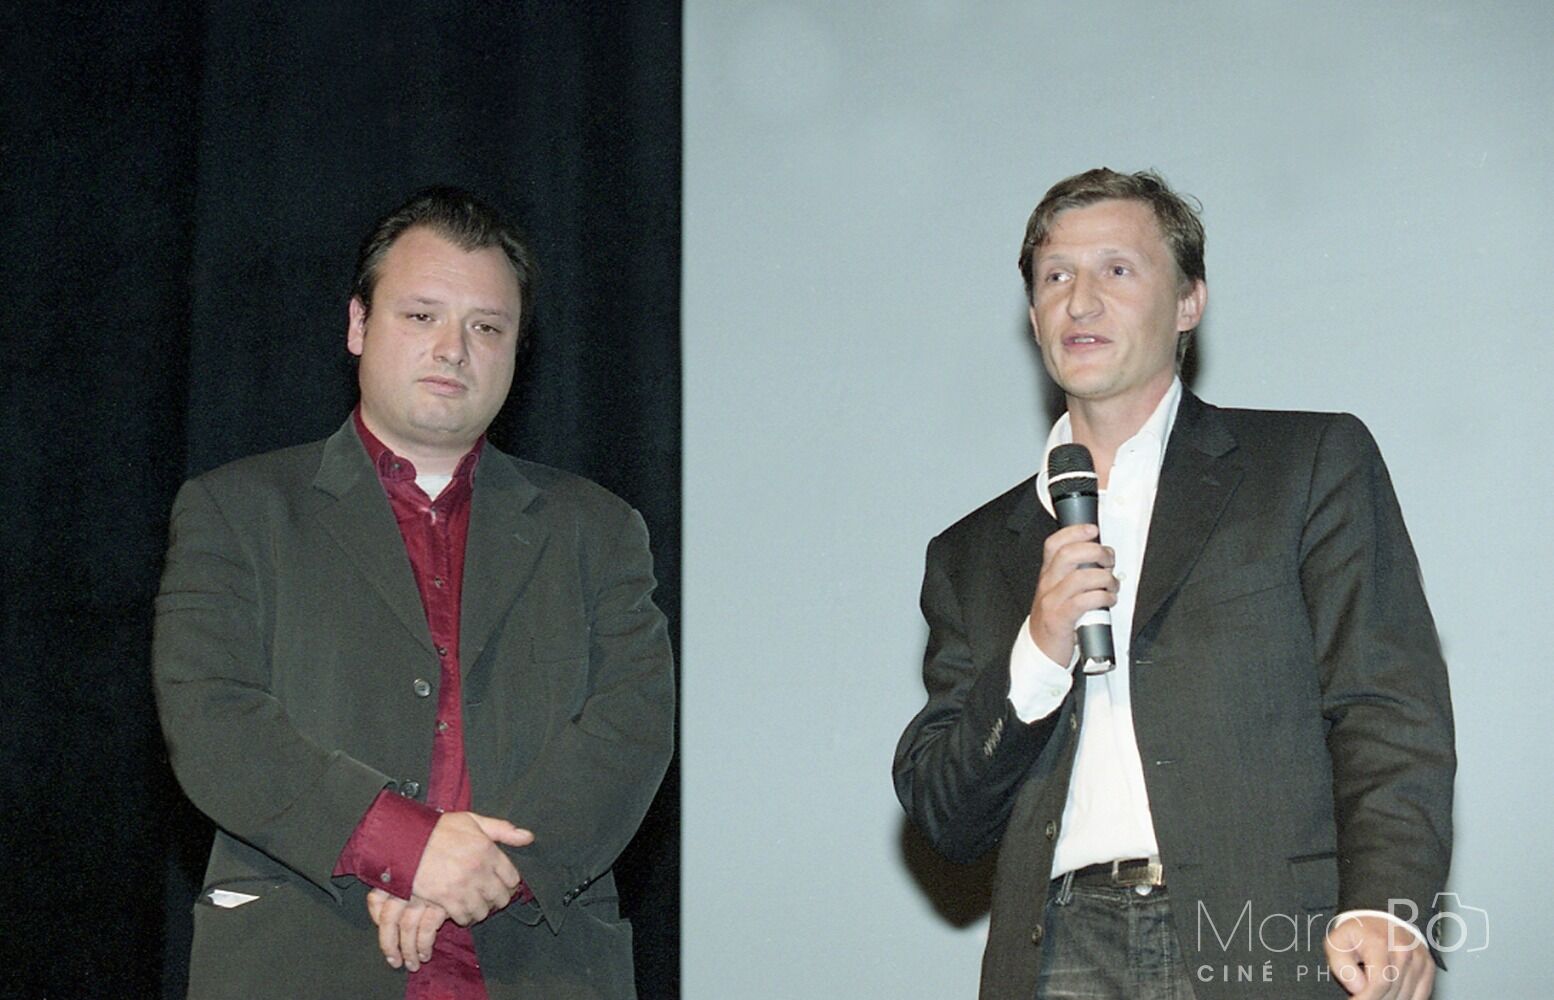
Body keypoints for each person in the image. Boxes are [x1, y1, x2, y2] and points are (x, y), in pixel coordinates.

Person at [894, 168, 1454, 1000]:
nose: (1081, 301)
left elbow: (1386, 706)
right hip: (1057, 954)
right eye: (1056, 277)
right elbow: (945, 812)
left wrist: (1389, 906)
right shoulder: (971, 553)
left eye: (1117, 269)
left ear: (1189, 301)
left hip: (1263, 938)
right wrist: (1036, 655)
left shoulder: (1303, 466)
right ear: (1034, 315)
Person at [154, 187, 675, 1000]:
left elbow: (632, 727)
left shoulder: (599, 529)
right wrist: (404, 845)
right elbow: (212, 718)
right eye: (422, 316)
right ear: (358, 325)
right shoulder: (236, 510)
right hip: (302, 957)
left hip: (538, 964)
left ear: (518, 349)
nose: (453, 349)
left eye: (487, 327)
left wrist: (488, 870)